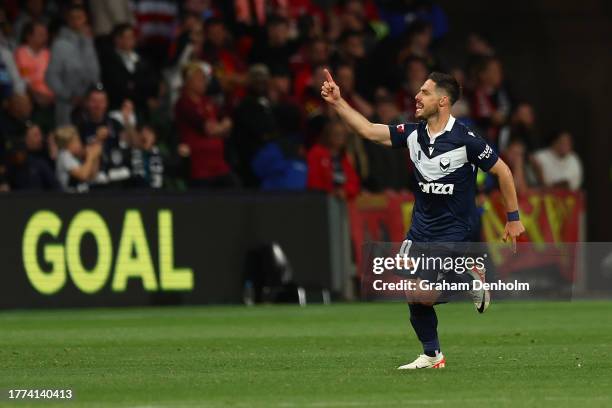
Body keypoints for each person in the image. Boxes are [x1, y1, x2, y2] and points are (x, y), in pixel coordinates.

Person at [321, 69, 525, 369]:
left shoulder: (466, 139)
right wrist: (338, 102)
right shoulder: (413, 134)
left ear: (442, 101)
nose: (417, 97)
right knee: (412, 293)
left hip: (454, 229)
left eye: (425, 92)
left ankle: (467, 273)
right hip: (420, 230)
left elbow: (503, 171)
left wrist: (513, 218)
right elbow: (367, 130)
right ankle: (432, 355)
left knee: (424, 294)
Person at [174, 61, 236, 188]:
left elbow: (228, 123)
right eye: (199, 78)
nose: (204, 82)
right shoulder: (184, 104)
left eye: (204, 78)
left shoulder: (208, 102)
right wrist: (221, 128)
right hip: (200, 168)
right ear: (188, 81)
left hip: (219, 164)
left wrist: (220, 128)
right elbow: (208, 129)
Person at [46, 5, 100, 126]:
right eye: (73, 18)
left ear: (85, 19)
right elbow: (51, 76)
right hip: (67, 105)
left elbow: (95, 71)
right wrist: (69, 96)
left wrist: (93, 94)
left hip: (89, 104)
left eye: (79, 17)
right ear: (68, 20)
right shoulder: (59, 44)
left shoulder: (89, 42)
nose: (76, 21)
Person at [306, 119, 360, 199]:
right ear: (328, 134)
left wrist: (345, 191)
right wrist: (329, 193)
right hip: (321, 201)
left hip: (342, 201)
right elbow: (313, 181)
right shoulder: (316, 153)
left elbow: (354, 182)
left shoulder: (344, 157)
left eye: (343, 134)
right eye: (337, 133)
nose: (340, 137)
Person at [53, 125, 102, 192]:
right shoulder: (64, 156)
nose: (80, 144)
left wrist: (95, 156)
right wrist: (90, 157)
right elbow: (83, 175)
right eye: (77, 140)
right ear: (68, 143)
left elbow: (92, 177)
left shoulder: (75, 156)